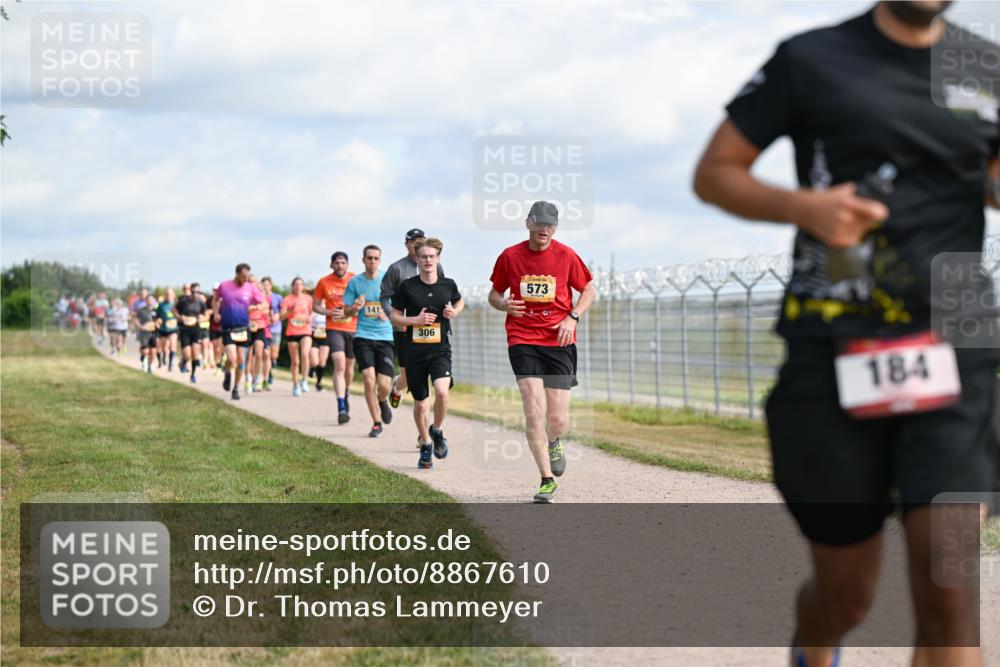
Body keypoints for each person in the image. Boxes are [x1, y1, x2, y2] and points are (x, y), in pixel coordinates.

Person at [692, 3, 999, 665]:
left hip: (957, 347)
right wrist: (803, 206)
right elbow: (714, 172)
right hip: (834, 347)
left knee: (951, 590)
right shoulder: (812, 58)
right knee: (847, 591)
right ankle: (816, 644)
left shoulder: (982, 65)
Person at [488, 201, 595, 503]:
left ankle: (555, 439)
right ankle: (546, 479)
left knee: (558, 418)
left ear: (555, 227)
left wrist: (572, 317)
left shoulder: (566, 255)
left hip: (559, 340)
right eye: (540, 223)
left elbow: (589, 290)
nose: (545, 229)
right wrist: (503, 304)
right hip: (522, 337)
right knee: (533, 407)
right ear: (528, 223)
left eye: (550, 224)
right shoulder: (510, 256)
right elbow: (494, 294)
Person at [390, 238, 464, 468]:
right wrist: (415, 320)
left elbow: (459, 302)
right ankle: (425, 444)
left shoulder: (448, 285)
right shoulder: (408, 286)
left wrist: (454, 311)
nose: (428, 260)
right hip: (414, 352)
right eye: (424, 256)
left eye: (432, 256)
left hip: (440, 349)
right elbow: (394, 316)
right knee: (421, 405)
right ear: (417, 259)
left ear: (438, 258)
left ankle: (437, 430)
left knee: (442, 393)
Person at [381, 228, 446, 409]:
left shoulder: (435, 266)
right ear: (407, 244)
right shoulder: (397, 268)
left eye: (420, 240)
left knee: (429, 372)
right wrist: (396, 318)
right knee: (408, 377)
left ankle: (425, 423)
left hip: (428, 327)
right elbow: (385, 296)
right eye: (412, 241)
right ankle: (397, 386)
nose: (416, 244)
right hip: (404, 328)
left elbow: (441, 290)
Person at [344, 245, 396, 438]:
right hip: (363, 336)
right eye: (369, 258)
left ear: (380, 260)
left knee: (384, 384)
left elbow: (399, 304)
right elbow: (345, 311)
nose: (372, 261)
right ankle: (376, 422)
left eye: (376, 258)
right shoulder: (355, 282)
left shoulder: (387, 280)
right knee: (368, 379)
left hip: (386, 338)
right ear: (363, 260)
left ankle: (383, 401)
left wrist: (387, 311)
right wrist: (355, 307)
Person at [314, 251, 357, 424]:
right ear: (331, 265)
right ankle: (341, 407)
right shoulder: (324, 282)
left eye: (343, 262)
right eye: (337, 263)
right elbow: (316, 306)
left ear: (347, 264)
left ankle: (345, 392)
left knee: (349, 368)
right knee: (339, 363)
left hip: (354, 328)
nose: (340, 266)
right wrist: (329, 312)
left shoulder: (356, 280)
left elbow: (365, 300)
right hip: (334, 328)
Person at [213, 263, 267, 400]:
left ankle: (236, 388)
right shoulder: (224, 286)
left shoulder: (251, 288)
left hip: (243, 328)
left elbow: (264, 303)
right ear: (237, 274)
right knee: (232, 359)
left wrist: (255, 307)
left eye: (247, 277)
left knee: (241, 360)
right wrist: (216, 313)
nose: (245, 279)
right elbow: (215, 299)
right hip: (228, 327)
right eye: (243, 277)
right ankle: (227, 371)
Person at [280, 277, 314, 396]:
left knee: (305, 354)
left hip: (306, 330)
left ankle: (304, 380)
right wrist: (290, 311)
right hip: (292, 332)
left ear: (303, 286)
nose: (298, 286)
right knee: (295, 361)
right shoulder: (287, 299)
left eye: (300, 284)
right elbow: (281, 317)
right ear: (292, 286)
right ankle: (295, 384)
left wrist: (311, 317)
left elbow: (313, 311)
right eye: (296, 284)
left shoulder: (308, 298)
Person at [175, 283, 207, 383]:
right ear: (190, 291)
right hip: (185, 330)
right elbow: (174, 310)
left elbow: (206, 315)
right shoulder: (183, 301)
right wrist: (180, 317)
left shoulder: (201, 302)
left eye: (197, 292)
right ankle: (183, 362)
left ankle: (193, 374)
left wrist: (202, 318)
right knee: (187, 354)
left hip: (196, 329)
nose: (194, 294)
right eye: (193, 292)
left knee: (195, 353)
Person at [246, 274, 270, 393]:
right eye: (249, 282)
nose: (252, 284)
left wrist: (256, 307)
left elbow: (266, 307)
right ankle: (248, 378)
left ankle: (257, 380)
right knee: (248, 355)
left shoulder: (259, 294)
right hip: (246, 326)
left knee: (259, 352)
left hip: (259, 326)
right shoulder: (243, 294)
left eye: (254, 282)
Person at [262, 276, 283, 390]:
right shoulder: (260, 297)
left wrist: (277, 316)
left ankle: (270, 368)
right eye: (264, 284)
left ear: (271, 285)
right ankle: (267, 375)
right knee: (266, 354)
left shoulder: (277, 297)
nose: (266, 287)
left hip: (275, 328)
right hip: (264, 328)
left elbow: (282, 310)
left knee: (274, 356)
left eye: (267, 284)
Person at [154, 289, 179, 370]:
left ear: (173, 296)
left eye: (171, 294)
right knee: (164, 347)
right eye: (167, 295)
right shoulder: (161, 305)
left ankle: (170, 363)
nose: (169, 296)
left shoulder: (177, 305)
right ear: (165, 296)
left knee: (173, 345)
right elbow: (156, 316)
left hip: (173, 328)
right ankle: (162, 359)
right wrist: (158, 321)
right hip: (163, 329)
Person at [134, 294, 159, 373]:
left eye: (151, 300)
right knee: (145, 351)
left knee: (153, 352)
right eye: (148, 300)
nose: (150, 301)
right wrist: (140, 326)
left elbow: (160, 319)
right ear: (146, 301)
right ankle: (143, 358)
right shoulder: (141, 310)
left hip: (154, 333)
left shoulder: (156, 310)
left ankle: (150, 366)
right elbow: (136, 320)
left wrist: (158, 323)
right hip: (144, 333)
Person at [308, 310, 327, 392]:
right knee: (315, 361)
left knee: (322, 362)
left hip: (325, 336)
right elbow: (308, 320)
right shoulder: (314, 307)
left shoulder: (330, 307)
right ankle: (312, 369)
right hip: (314, 335)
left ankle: (318, 383)